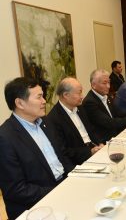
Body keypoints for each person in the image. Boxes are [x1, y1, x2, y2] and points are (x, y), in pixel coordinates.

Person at [0, 77, 73, 219]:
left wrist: (74, 178)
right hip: (37, 206)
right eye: (39, 97)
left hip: (64, 186)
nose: (44, 101)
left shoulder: (46, 122)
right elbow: (16, 190)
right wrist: (59, 191)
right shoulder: (5, 137)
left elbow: (62, 156)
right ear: (19, 103)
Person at [47, 77, 104, 165]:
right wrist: (90, 152)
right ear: (66, 95)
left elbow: (91, 130)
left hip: (96, 150)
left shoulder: (80, 108)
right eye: (79, 93)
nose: (82, 96)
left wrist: (100, 143)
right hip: (80, 160)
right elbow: (64, 150)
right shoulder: (54, 118)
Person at [82, 69, 126, 142]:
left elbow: (117, 113)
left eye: (109, 82)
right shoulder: (90, 102)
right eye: (104, 83)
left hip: (116, 133)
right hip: (104, 140)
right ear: (93, 85)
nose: (108, 86)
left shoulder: (106, 96)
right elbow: (109, 122)